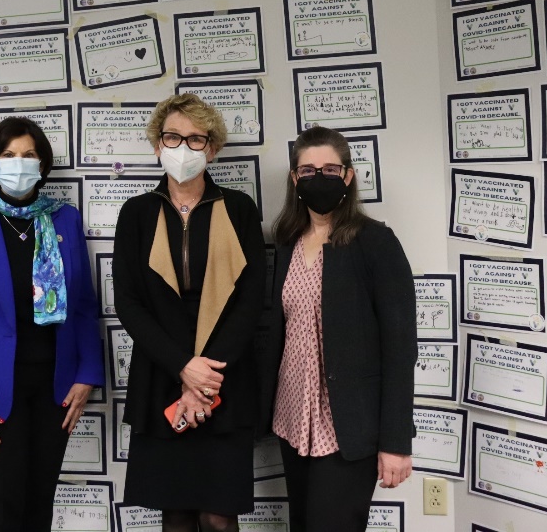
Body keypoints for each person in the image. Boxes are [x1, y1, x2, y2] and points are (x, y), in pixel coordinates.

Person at [0, 117, 105, 532]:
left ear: (43, 164)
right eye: (9, 156)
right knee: (1, 511)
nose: (19, 163)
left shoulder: (65, 220)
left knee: (38, 509)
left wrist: (86, 374)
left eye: (29, 155)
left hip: (56, 389)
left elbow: (83, 304)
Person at [112, 94, 268, 532]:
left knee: (219, 516)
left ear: (212, 148)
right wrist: (183, 368)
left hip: (226, 376)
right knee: (175, 514)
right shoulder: (136, 213)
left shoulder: (238, 208)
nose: (184, 147)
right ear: (157, 144)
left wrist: (205, 377)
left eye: (196, 139)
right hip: (162, 372)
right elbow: (128, 301)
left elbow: (250, 298)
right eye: (173, 137)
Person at [262, 126, 417, 532]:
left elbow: (401, 349)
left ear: (348, 176)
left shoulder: (375, 243)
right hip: (292, 419)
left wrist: (396, 443)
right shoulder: (286, 243)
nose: (319, 178)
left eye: (330, 169)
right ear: (295, 180)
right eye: (308, 170)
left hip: (347, 426)